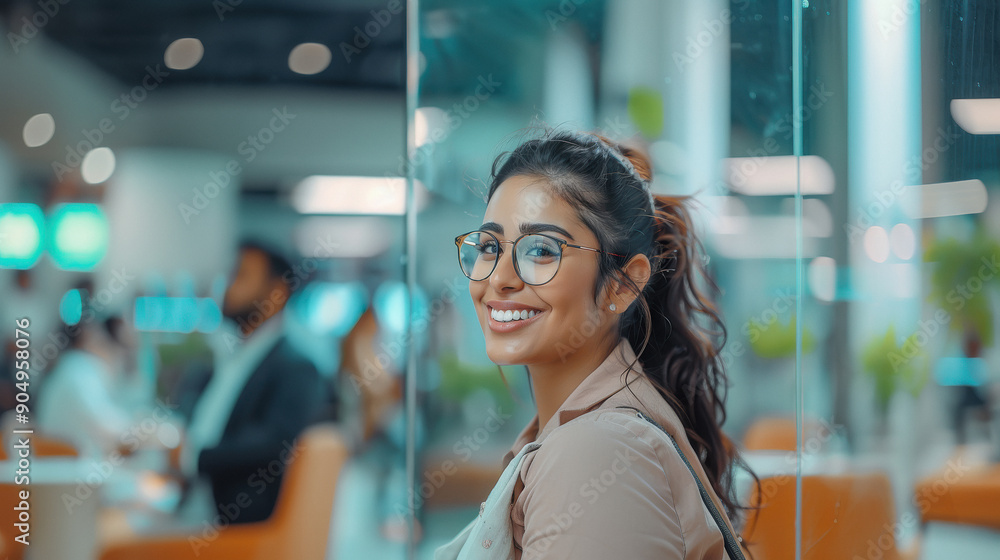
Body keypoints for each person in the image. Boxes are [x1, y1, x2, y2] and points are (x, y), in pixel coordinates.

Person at [436, 131, 751, 559]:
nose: (499, 278)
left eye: (541, 250)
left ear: (622, 285)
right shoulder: (577, 438)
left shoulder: (599, 453)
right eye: (490, 247)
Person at [180, 240, 327, 524]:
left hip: (237, 525)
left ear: (276, 294)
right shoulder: (234, 357)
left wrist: (189, 457)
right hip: (192, 504)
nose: (229, 285)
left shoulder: (296, 366)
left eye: (241, 276)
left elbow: (269, 444)